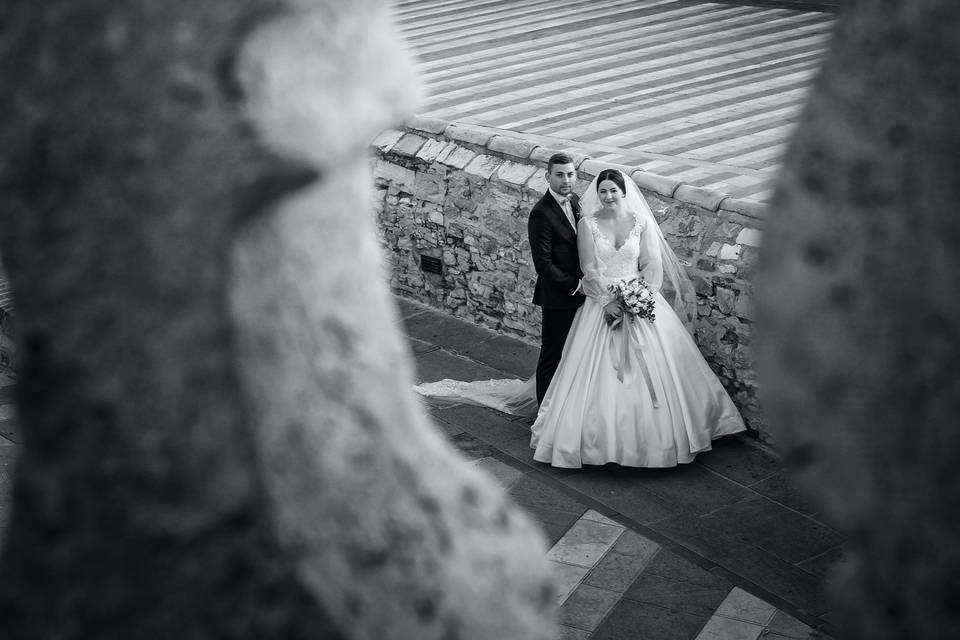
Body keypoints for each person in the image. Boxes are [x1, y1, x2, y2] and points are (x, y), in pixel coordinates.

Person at [528, 168, 745, 468]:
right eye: (602, 191)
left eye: (612, 191)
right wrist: (606, 302)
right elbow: (589, 268)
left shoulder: (641, 222)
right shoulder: (588, 224)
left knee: (662, 366)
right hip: (601, 302)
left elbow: (651, 264)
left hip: (639, 298)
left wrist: (641, 296)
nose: (607, 196)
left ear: (623, 192)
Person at [527, 153, 585, 404]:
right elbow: (544, 264)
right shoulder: (541, 213)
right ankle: (544, 414)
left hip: (584, 297)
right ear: (547, 176)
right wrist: (577, 286)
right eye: (560, 174)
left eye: (570, 174)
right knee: (553, 354)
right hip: (558, 298)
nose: (566, 179)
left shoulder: (575, 201)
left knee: (578, 353)